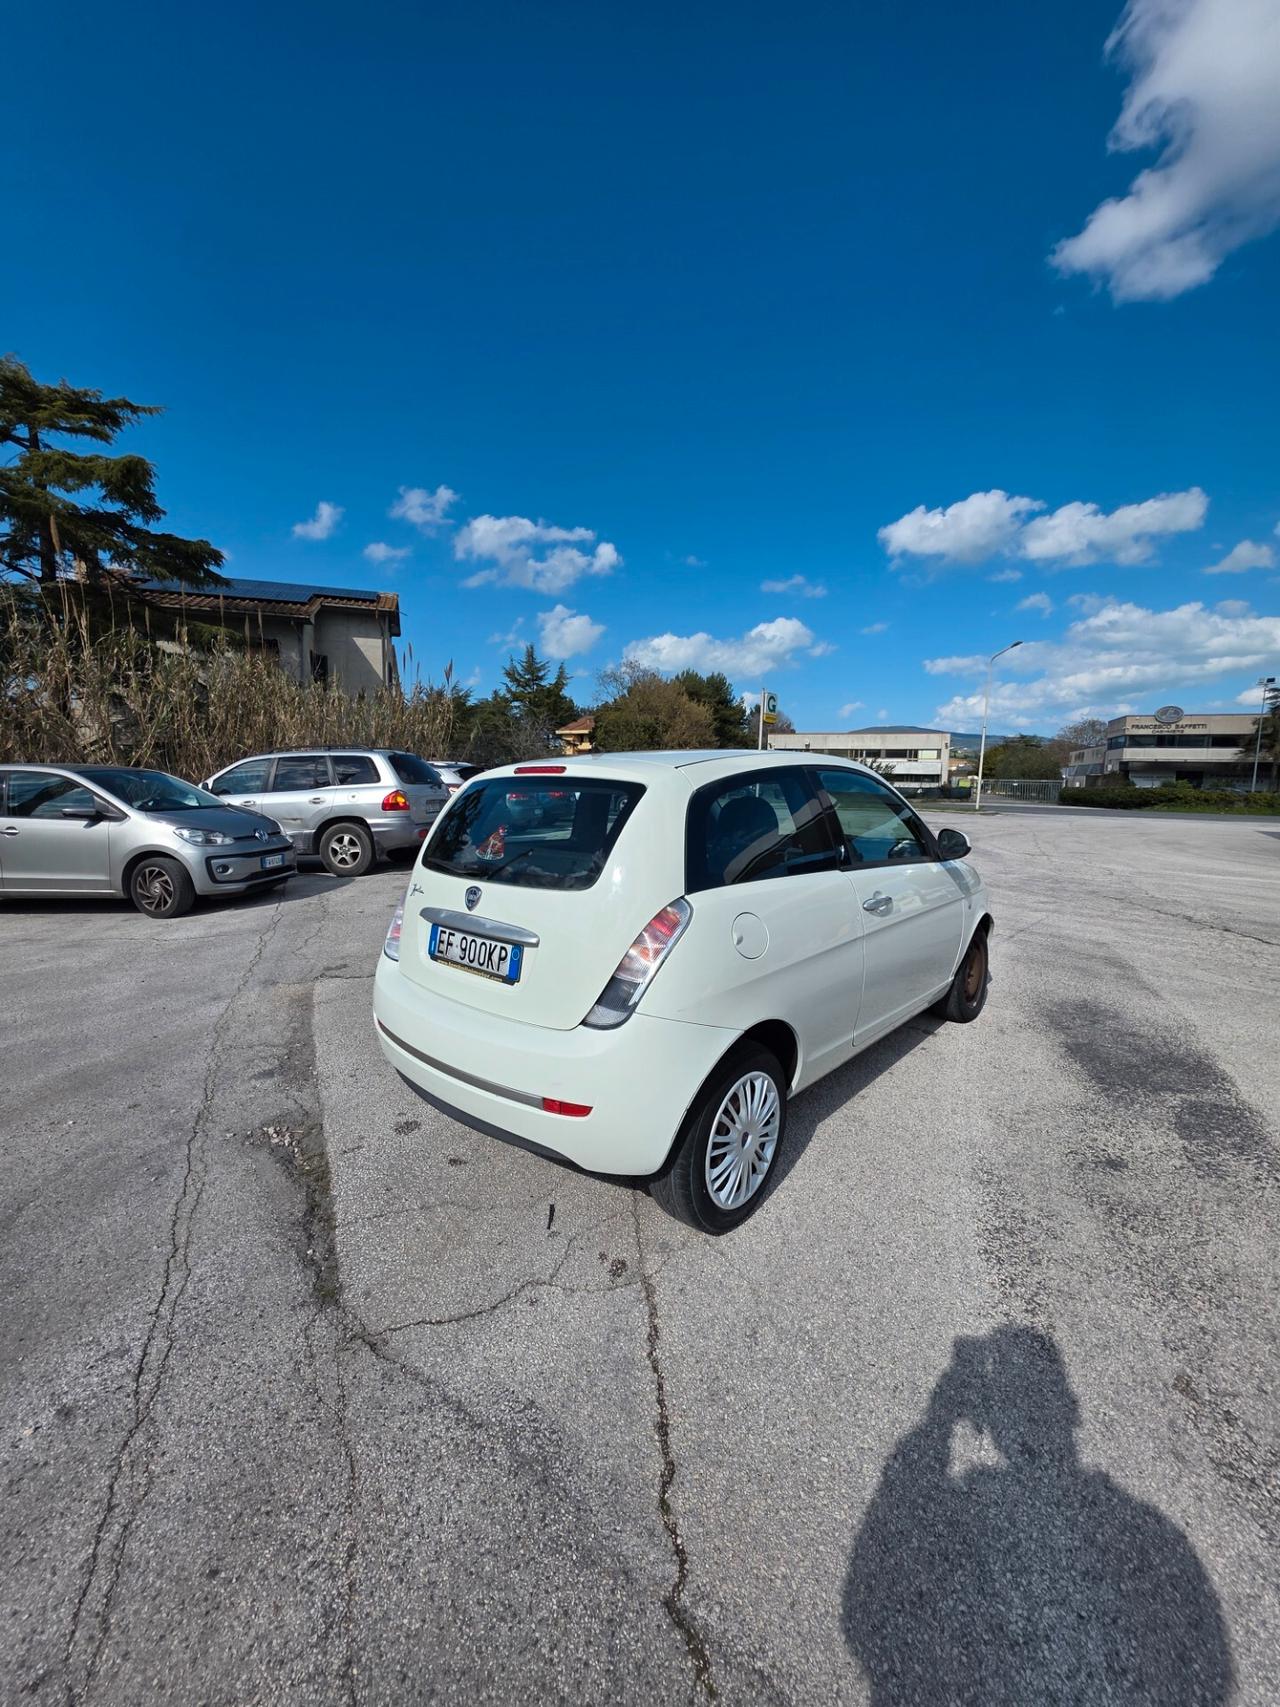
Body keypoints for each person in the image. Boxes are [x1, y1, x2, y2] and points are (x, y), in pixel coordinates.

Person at [844, 1326, 1233, 1705]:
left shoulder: (1148, 1532)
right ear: (1071, 1409)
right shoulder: (1152, 1534)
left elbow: (868, 1602)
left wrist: (941, 1416)